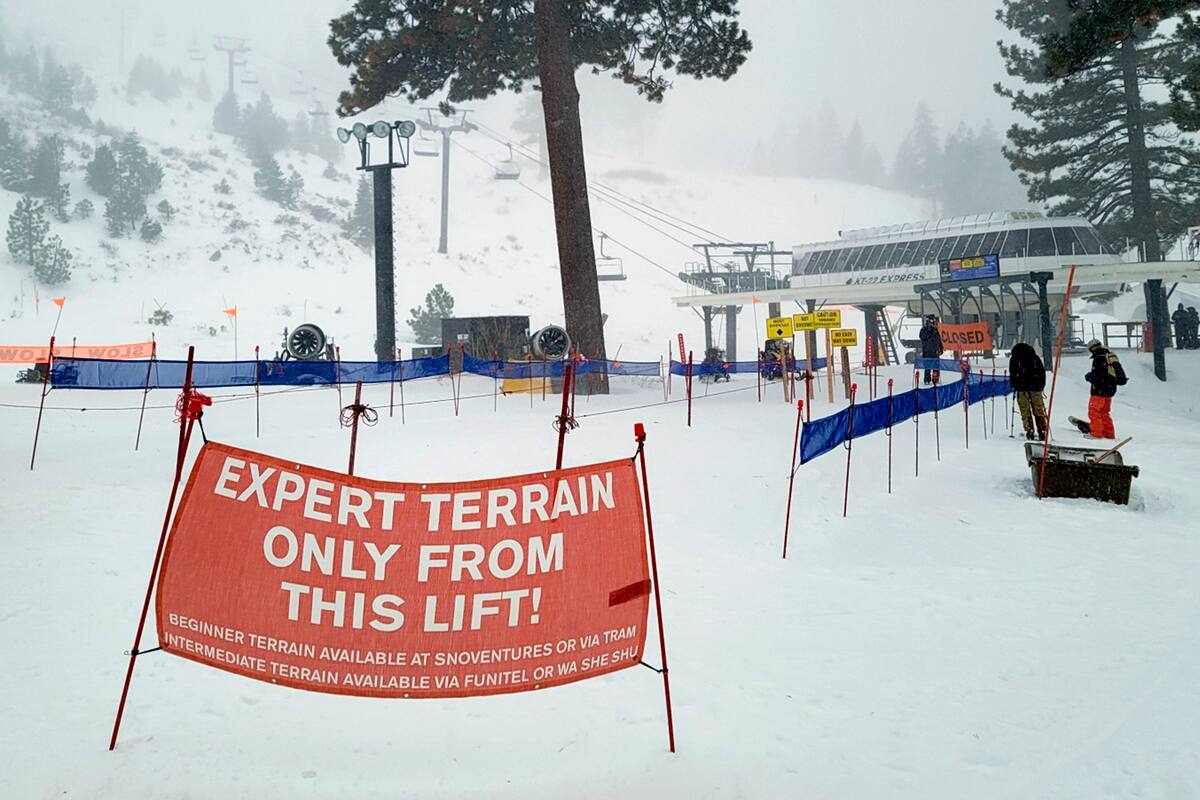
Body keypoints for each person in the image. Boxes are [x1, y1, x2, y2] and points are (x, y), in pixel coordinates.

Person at [1076, 339, 1127, 439]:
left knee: (1094, 411)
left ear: (1092, 348)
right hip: (1110, 389)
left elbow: (1100, 375)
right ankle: (1109, 433)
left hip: (1100, 390)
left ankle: (1096, 433)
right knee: (1104, 412)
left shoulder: (1099, 358)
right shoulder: (1108, 356)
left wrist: (1090, 376)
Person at [1008, 342, 1047, 440]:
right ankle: (1042, 429)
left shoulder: (1014, 359)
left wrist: (1014, 385)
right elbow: (1042, 372)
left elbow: (1012, 374)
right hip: (1035, 387)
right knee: (1039, 409)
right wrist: (1041, 385)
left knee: (1025, 410)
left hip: (1021, 388)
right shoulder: (1034, 358)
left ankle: (1029, 430)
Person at [919, 314, 943, 385]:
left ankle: (935, 379)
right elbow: (922, 337)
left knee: (936, 367)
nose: (933, 323)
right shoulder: (924, 330)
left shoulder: (935, 331)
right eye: (931, 321)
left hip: (935, 352)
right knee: (927, 367)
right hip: (927, 352)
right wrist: (929, 331)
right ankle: (927, 380)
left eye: (933, 321)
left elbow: (939, 340)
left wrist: (941, 348)